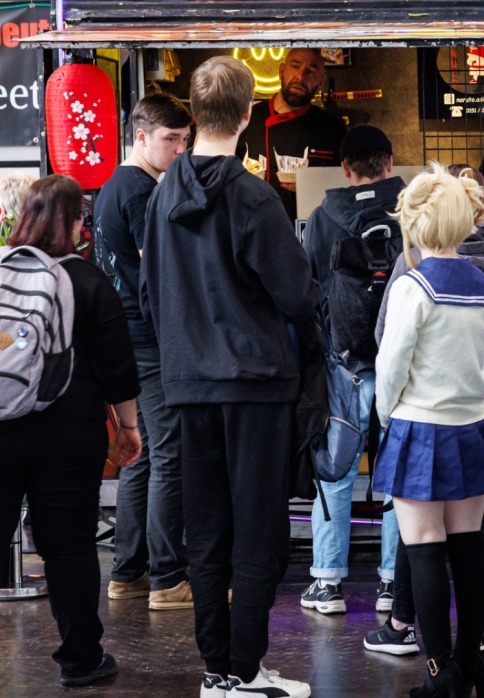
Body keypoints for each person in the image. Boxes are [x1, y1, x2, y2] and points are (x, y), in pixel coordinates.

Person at [141, 55, 320, 698]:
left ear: (194, 116)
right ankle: (243, 670)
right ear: (248, 114)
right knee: (259, 529)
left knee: (207, 528)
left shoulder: (161, 196)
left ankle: (218, 670)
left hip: (186, 382)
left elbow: (148, 293)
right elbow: (297, 295)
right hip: (254, 383)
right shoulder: (253, 196)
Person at [364, 164, 484, 657]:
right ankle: (471, 662)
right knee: (471, 547)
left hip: (419, 425)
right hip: (475, 424)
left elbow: (390, 364)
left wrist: (388, 415)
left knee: (424, 549)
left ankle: (437, 674)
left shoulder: (412, 285)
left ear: (415, 222)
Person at [0, 174, 142, 687]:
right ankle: (81, 660)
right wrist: (128, 427)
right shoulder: (88, 281)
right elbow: (118, 367)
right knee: (69, 547)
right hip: (70, 433)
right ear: (78, 222)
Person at [92, 92, 194, 611]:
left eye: (184, 140)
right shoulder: (141, 192)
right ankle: (167, 580)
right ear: (140, 136)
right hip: (149, 340)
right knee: (168, 454)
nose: (179, 150)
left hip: (125, 338)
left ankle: (129, 573)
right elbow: (160, 272)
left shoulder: (114, 186)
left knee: (144, 456)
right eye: (170, 139)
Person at [298, 124, 403, 616]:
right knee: (397, 474)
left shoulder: (322, 218)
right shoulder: (412, 208)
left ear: (344, 167)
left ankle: (328, 581)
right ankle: (392, 583)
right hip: (401, 367)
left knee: (335, 469)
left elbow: (308, 288)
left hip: (344, 368)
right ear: (389, 162)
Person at [236, 47, 347, 221]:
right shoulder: (245, 119)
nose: (300, 77)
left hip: (309, 230)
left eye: (310, 72)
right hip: (252, 227)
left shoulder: (333, 128)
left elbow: (346, 189)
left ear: (321, 82)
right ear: (281, 71)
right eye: (295, 66)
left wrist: (311, 187)